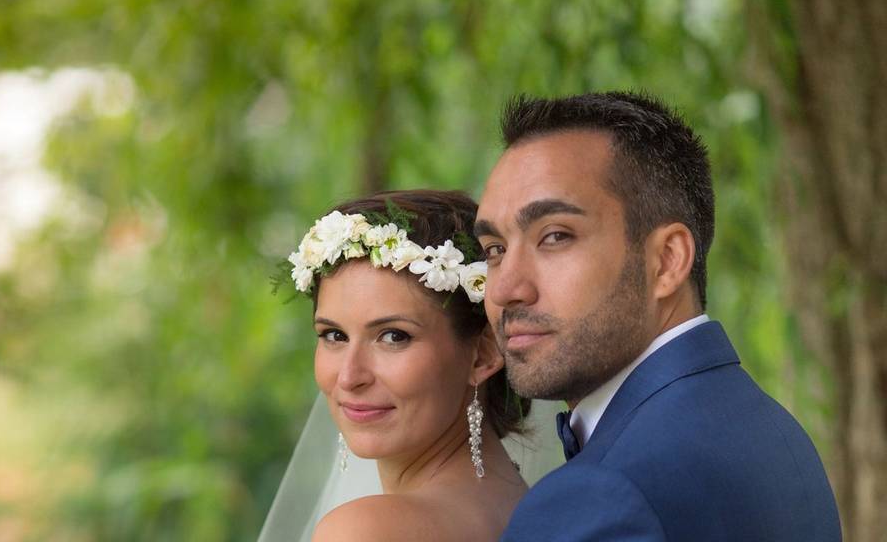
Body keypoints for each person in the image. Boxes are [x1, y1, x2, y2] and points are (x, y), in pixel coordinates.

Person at [474, 92, 842, 541]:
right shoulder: (776, 433)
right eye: (494, 250)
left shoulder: (598, 496)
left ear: (667, 261)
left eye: (554, 237)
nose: (505, 289)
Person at [259, 190, 562, 542]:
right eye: (334, 335)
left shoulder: (366, 531)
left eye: (393, 337)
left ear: (484, 354)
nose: (349, 376)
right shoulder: (522, 508)